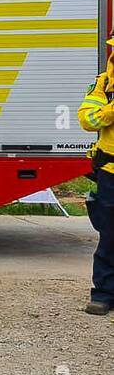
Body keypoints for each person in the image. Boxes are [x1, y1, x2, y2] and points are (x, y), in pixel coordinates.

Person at [78, 34, 114, 314]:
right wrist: (112, 110)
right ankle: (103, 293)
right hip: (110, 171)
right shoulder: (103, 83)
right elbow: (87, 119)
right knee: (110, 235)